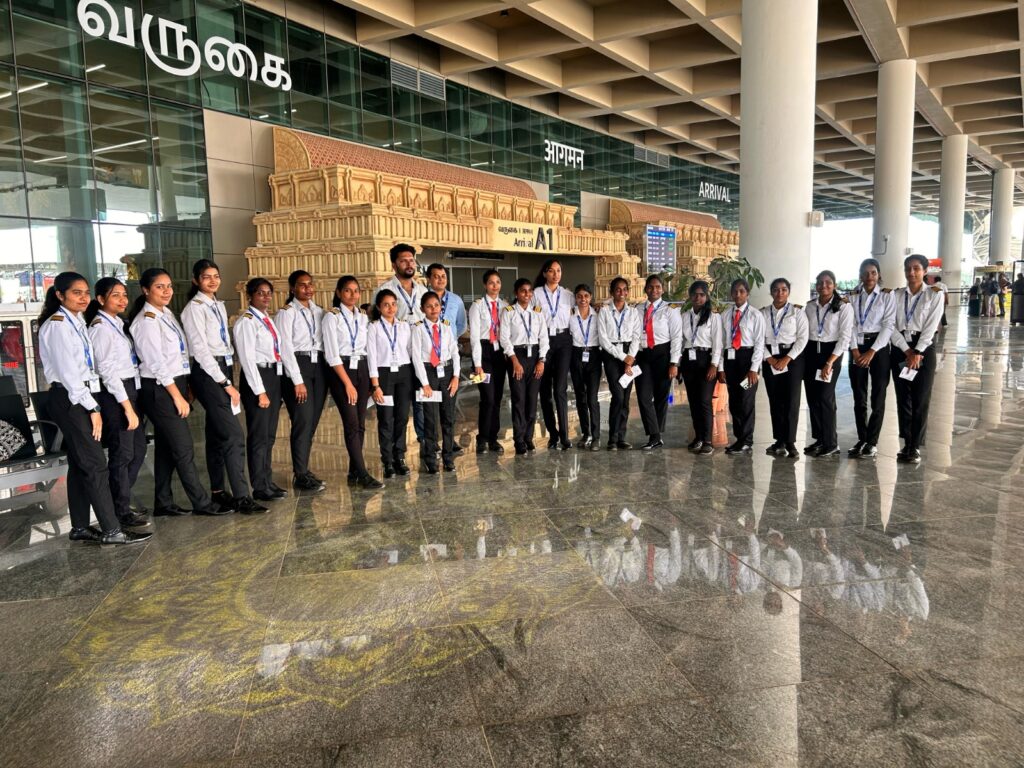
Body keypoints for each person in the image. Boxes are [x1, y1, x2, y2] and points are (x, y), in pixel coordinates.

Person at [39, 272, 151, 545]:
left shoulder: (76, 321)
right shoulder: (57, 326)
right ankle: (112, 530)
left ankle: (79, 526)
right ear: (60, 295)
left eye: (85, 292)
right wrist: (93, 408)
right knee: (95, 464)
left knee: (80, 464)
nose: (82, 297)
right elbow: (69, 375)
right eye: (76, 292)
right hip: (71, 398)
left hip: (81, 396)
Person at [130, 268, 224, 517]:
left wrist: (186, 386)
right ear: (146, 290)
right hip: (160, 389)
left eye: (169, 286)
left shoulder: (166, 314)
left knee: (166, 448)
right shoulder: (146, 321)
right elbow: (156, 364)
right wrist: (176, 396)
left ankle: (163, 502)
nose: (166, 291)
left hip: (175, 384)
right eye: (159, 287)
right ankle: (202, 503)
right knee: (183, 448)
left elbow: (179, 355)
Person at [180, 259, 265, 514]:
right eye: (206, 277)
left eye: (216, 276)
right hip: (209, 373)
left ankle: (218, 491)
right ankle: (242, 496)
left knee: (217, 434)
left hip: (222, 369)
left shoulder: (217, 304)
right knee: (234, 435)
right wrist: (226, 383)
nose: (213, 281)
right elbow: (200, 351)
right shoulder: (194, 308)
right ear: (196, 280)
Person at [85, 278, 150, 529]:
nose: (123, 300)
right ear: (101, 299)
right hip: (115, 394)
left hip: (129, 389)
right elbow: (107, 371)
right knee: (122, 454)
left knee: (137, 450)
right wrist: (127, 407)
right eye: (115, 295)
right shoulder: (100, 328)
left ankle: (117, 502)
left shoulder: (118, 323)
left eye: (124, 295)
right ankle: (119, 511)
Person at [235, 278, 303, 502]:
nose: (265, 297)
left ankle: (267, 480)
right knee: (258, 435)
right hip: (258, 377)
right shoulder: (247, 322)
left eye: (268, 293)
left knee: (269, 435)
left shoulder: (267, 319)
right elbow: (247, 359)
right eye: (260, 293)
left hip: (273, 375)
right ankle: (259, 486)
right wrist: (259, 391)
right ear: (250, 296)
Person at [322, 276, 382, 489]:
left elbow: (368, 349)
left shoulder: (363, 316)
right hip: (342, 371)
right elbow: (332, 354)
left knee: (361, 423)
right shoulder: (332, 317)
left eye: (356, 291)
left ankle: (354, 471)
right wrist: (347, 383)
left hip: (362, 369)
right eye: (347, 290)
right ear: (339, 293)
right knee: (351, 423)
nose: (353, 295)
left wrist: (372, 381)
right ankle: (363, 473)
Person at [275, 270, 328, 491]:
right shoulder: (287, 313)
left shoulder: (319, 311)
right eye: (302, 285)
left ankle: (304, 469)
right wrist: (297, 380)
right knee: (303, 420)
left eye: (310, 284)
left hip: (319, 366)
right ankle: (300, 473)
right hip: (298, 366)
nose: (307, 288)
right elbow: (285, 347)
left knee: (312, 421)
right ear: (292, 288)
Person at [890, 254, 945, 464]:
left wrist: (917, 352)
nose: (911, 273)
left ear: (925, 271)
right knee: (903, 399)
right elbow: (890, 325)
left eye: (916, 268)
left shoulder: (934, 294)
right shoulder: (896, 295)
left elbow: (931, 327)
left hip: (924, 349)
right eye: (908, 268)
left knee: (921, 399)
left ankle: (915, 446)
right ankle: (906, 442)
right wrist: (907, 351)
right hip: (901, 349)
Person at [374, 244, 428, 443]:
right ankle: (396, 449)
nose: (409, 264)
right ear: (394, 264)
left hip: (420, 353)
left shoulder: (422, 290)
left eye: (411, 260)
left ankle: (424, 440)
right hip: (397, 357)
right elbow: (376, 323)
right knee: (398, 408)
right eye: (403, 261)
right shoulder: (385, 290)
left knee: (421, 399)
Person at [847, 258, 896, 459]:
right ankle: (862, 438)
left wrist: (872, 351)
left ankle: (872, 442)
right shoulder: (852, 296)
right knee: (859, 396)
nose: (869, 277)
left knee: (878, 396)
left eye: (873, 272)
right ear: (860, 275)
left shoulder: (887, 295)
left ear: (879, 274)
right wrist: (854, 350)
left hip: (879, 348)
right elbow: (848, 325)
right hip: (856, 348)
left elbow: (889, 325)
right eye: (866, 273)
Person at [803, 270, 854, 458]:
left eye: (828, 282)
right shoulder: (810, 306)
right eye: (820, 282)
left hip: (830, 353)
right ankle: (819, 439)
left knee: (825, 397)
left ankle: (831, 443)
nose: (823, 286)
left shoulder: (843, 307)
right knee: (813, 397)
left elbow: (844, 337)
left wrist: (830, 362)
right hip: (811, 352)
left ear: (834, 285)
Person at [411, 291, 460, 473]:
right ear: (422, 309)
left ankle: (448, 457)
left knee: (448, 418)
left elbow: (454, 352)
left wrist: (456, 376)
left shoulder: (446, 326)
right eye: (429, 306)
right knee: (430, 419)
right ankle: (431, 458)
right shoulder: (418, 328)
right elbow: (416, 357)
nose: (433, 309)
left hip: (447, 372)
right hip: (428, 373)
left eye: (436, 305)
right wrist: (424, 383)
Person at [368, 289, 414, 478]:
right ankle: (387, 460)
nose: (391, 308)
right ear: (379, 307)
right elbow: (371, 356)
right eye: (386, 305)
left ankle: (399, 456)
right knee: (386, 418)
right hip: (384, 375)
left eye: (393, 304)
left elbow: (410, 350)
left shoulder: (404, 326)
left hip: (404, 373)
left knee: (402, 417)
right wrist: (375, 385)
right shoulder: (374, 327)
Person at [500, 278, 549, 456]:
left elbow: (544, 338)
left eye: (530, 291)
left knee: (532, 399)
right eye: (523, 291)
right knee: (519, 399)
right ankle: (519, 439)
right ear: (516, 293)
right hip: (517, 356)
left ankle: (529, 437)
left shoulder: (537, 312)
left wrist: (542, 360)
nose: (527, 294)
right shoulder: (509, 312)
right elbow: (504, 338)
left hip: (535, 356)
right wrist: (514, 361)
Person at [760, 277, 807, 459]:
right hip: (770, 358)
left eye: (784, 289)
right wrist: (769, 358)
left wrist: (787, 358)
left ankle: (790, 442)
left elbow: (802, 338)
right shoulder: (763, 313)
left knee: (792, 401)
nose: (780, 293)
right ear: (771, 292)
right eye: (776, 289)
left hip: (792, 359)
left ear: (788, 292)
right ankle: (779, 440)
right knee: (775, 400)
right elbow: (758, 338)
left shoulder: (797, 312)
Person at [634, 274, 682, 451]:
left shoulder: (670, 310)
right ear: (645, 289)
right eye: (651, 287)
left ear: (662, 289)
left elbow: (677, 337)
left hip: (663, 354)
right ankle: (655, 434)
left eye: (658, 287)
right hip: (642, 354)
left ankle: (655, 437)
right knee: (643, 396)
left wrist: (674, 363)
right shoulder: (637, 309)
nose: (654, 290)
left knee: (661, 397)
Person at [719, 278, 765, 455]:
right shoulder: (725, 315)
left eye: (742, 291)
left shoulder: (755, 315)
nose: (738, 294)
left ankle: (747, 441)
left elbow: (759, 343)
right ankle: (739, 439)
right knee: (735, 400)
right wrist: (721, 368)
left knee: (746, 400)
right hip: (731, 361)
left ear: (747, 294)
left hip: (747, 361)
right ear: (731, 293)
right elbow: (721, 343)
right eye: (735, 291)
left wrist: (754, 369)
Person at [532, 259, 574, 450]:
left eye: (558, 270)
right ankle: (553, 434)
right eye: (551, 271)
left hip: (564, 341)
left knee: (560, 389)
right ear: (544, 273)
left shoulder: (568, 295)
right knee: (545, 390)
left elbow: (581, 311)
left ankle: (565, 435)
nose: (555, 274)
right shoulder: (536, 294)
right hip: (543, 341)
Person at [680, 280, 722, 456]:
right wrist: (678, 364)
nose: (698, 298)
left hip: (706, 361)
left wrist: (714, 365)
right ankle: (698, 437)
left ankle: (708, 440)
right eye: (695, 294)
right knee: (694, 401)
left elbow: (718, 343)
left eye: (702, 295)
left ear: (707, 296)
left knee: (705, 401)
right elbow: (681, 341)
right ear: (690, 296)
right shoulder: (684, 316)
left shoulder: (714, 317)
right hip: (689, 361)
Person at [598, 276, 640, 451]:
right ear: (612, 292)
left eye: (624, 290)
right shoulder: (604, 311)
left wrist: (630, 358)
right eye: (618, 290)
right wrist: (623, 357)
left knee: (625, 398)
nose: (621, 293)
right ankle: (612, 439)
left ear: (627, 292)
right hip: (611, 355)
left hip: (629, 354)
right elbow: (603, 339)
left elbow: (636, 337)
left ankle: (621, 437)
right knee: (618, 396)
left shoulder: (633, 312)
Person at [468, 269, 507, 454]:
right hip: (483, 354)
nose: (495, 286)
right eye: (491, 282)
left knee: (497, 398)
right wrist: (477, 364)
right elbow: (474, 338)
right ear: (485, 285)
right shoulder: (477, 306)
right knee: (487, 398)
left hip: (499, 353)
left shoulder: (505, 306)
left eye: (498, 282)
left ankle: (493, 438)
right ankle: (482, 439)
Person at [568, 283, 602, 450]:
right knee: (580, 397)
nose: (583, 299)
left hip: (594, 356)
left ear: (591, 297)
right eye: (579, 296)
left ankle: (596, 436)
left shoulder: (598, 315)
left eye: (586, 296)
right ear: (575, 298)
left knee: (592, 398)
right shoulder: (570, 315)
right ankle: (586, 433)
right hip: (576, 355)